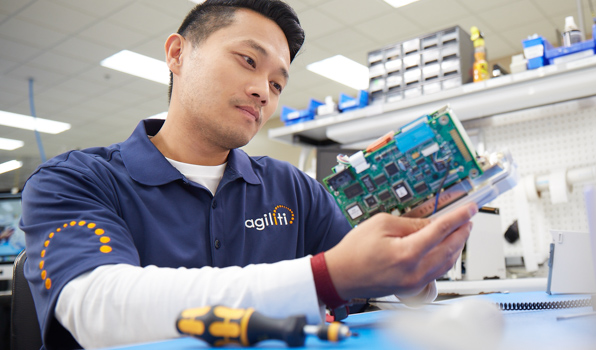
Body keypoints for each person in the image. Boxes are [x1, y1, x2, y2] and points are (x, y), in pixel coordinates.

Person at [19, 0, 477, 349]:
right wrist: (324, 277)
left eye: (278, 83)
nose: (263, 91)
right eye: (248, 61)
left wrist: (416, 266)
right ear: (178, 53)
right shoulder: (75, 180)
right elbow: (97, 306)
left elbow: (370, 281)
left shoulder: (292, 189)